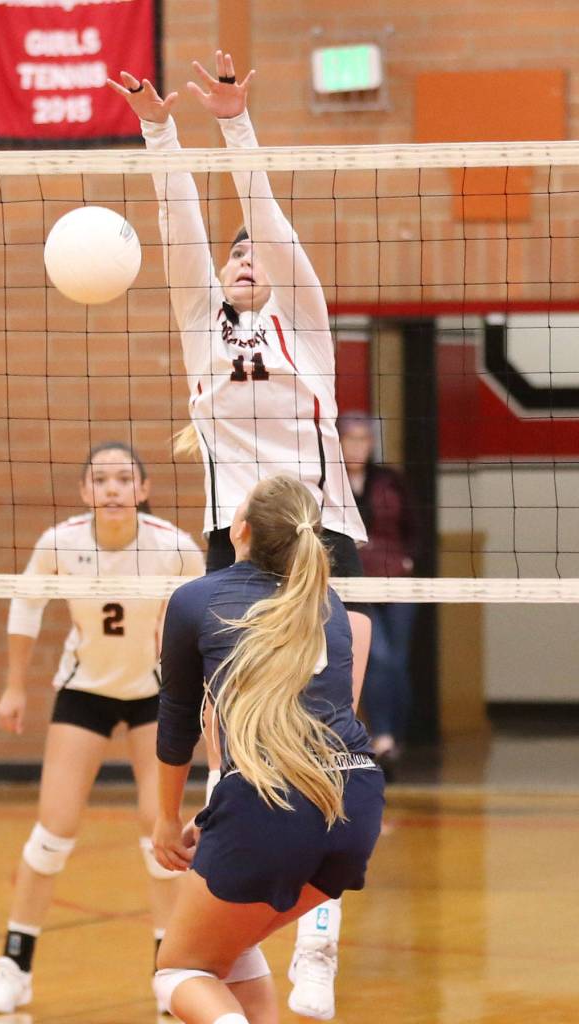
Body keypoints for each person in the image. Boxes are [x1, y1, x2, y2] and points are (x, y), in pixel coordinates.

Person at [108, 52, 371, 1019]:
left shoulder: (305, 321)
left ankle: (320, 942)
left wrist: (234, 123)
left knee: (324, 714)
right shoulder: (201, 328)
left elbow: (270, 220)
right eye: (234, 254)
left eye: (256, 250)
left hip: (320, 535)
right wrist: (158, 129)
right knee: (236, 736)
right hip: (235, 548)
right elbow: (180, 232)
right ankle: (233, 869)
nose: (245, 256)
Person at [0, 442, 205, 1015]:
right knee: (52, 834)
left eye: (124, 478)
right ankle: (14, 967)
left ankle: (167, 972)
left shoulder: (174, 546)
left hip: (156, 694)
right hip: (85, 691)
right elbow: (26, 605)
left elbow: (209, 614)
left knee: (162, 838)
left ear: (142, 489)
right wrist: (14, 685)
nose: (112, 489)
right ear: (84, 492)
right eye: (100, 480)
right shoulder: (60, 542)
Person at [151, 475, 384, 1024]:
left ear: (241, 530)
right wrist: (219, 820)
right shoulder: (328, 604)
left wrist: (166, 819)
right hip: (356, 800)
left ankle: (310, 958)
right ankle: (316, 952)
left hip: (270, 802)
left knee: (179, 970)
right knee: (229, 948)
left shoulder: (194, 600)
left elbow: (178, 720)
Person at [339, 413, 419, 775]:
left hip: (398, 582)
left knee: (398, 664)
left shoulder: (389, 480)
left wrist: (409, 560)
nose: (357, 445)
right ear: (337, 442)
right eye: (350, 438)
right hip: (358, 582)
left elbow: (415, 526)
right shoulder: (331, 482)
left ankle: (396, 738)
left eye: (363, 439)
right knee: (379, 657)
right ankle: (381, 737)